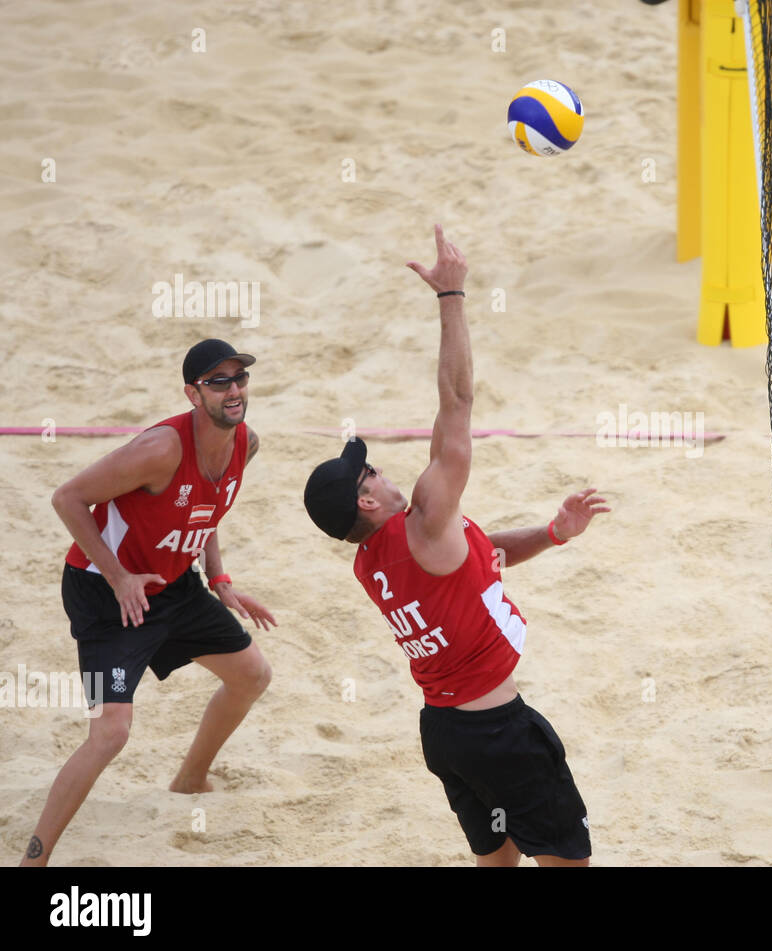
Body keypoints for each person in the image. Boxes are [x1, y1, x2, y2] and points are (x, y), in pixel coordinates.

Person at [304, 225, 608, 867]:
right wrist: (452, 296)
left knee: (496, 863)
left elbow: (480, 557)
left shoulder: (377, 559)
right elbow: (458, 400)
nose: (382, 471)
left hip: (445, 735)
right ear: (365, 500)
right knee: (569, 861)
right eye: (371, 473)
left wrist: (552, 534)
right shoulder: (423, 522)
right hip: (500, 735)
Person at [21, 339, 276, 866]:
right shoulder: (161, 450)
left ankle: (189, 778)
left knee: (251, 674)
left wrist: (219, 576)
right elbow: (67, 498)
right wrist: (117, 577)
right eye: (219, 381)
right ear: (192, 393)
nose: (234, 390)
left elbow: (207, 512)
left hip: (174, 584)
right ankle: (34, 860)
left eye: (240, 378)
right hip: (104, 594)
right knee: (111, 733)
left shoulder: (244, 443)